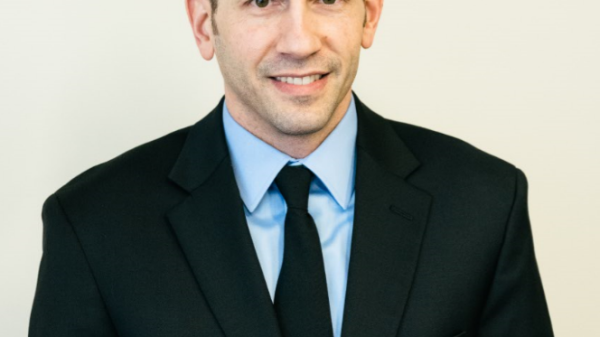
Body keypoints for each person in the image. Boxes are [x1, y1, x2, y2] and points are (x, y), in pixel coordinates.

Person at [29, 0, 554, 336]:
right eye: (261, 1)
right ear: (203, 23)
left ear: (369, 15)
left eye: (328, 0)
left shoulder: (486, 203)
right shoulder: (92, 225)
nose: (300, 42)